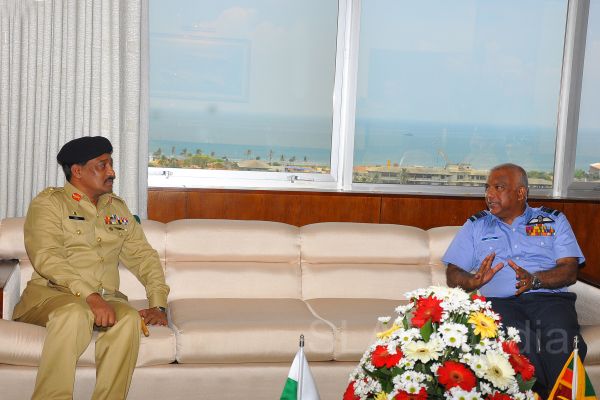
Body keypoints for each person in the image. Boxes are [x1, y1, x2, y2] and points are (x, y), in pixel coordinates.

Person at [12, 136, 170, 400]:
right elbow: (47, 258)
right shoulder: (50, 203)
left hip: (106, 298)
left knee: (129, 319)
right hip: (52, 296)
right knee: (75, 313)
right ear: (77, 171)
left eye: (111, 164)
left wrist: (159, 305)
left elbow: (144, 257)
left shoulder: (117, 208)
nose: (112, 172)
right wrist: (91, 297)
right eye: (102, 165)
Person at [443, 163, 586, 398]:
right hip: (500, 303)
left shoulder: (552, 221)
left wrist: (535, 280)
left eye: (498, 188)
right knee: (517, 344)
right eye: (487, 188)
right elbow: (453, 273)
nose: (489, 195)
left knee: (562, 340)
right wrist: (473, 280)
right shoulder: (476, 226)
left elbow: (570, 270)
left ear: (521, 193)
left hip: (550, 300)